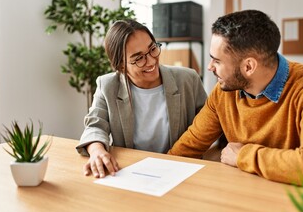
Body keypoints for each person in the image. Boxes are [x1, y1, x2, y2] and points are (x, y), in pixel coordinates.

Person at [168, 10, 303, 185]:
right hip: (252, 189)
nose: (209, 67)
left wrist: (243, 156)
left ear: (248, 67)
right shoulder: (223, 92)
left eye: (217, 60)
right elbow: (188, 146)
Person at [76, 19, 207, 178]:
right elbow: (95, 126)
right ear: (121, 66)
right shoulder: (108, 85)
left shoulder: (188, 79)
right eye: (138, 58)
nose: (151, 61)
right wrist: (97, 151)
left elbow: (208, 126)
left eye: (152, 49)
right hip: (131, 171)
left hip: (180, 170)